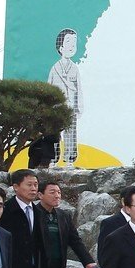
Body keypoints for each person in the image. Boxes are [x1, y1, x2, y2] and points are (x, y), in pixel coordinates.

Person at [47, 28, 82, 166]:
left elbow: (78, 88)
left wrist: (79, 107)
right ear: (60, 47)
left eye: (74, 43)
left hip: (71, 107)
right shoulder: (54, 68)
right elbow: (48, 88)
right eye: (68, 42)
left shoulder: (75, 68)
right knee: (55, 135)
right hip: (56, 108)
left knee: (71, 134)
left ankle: (70, 159)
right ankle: (53, 159)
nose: (72, 46)